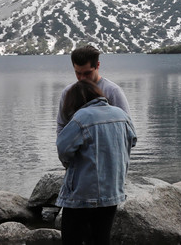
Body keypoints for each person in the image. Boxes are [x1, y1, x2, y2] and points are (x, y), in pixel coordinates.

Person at [56, 80, 138, 245]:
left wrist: (71, 163)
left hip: (82, 193)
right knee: (101, 238)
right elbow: (132, 140)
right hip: (113, 190)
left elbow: (63, 149)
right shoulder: (121, 115)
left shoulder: (81, 117)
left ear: (75, 102)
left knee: (72, 239)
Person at [57, 45, 131, 135]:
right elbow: (62, 125)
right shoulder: (67, 93)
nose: (82, 78)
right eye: (78, 73)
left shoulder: (113, 92)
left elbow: (128, 128)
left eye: (87, 73)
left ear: (97, 65)